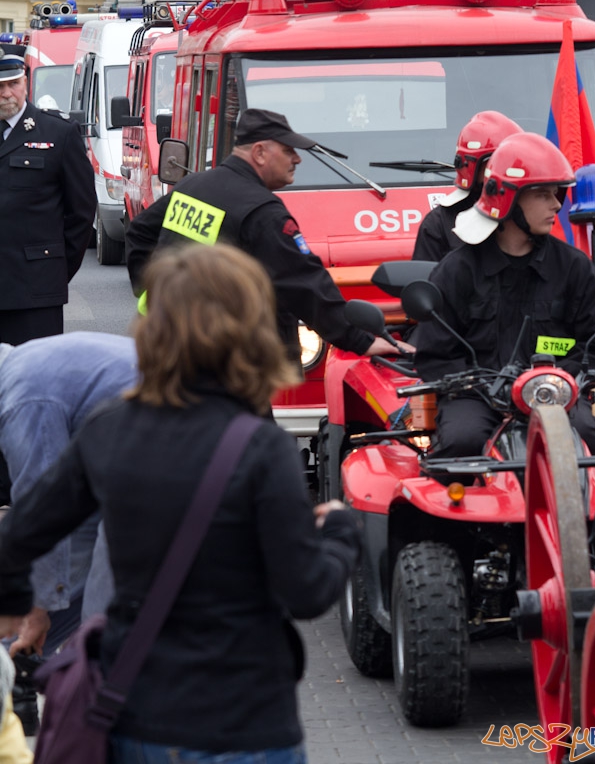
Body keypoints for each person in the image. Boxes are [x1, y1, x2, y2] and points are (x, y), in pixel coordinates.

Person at [0, 242, 360, 763]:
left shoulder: (108, 429)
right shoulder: (262, 448)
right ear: (251, 331)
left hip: (134, 715)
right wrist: (340, 534)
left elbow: (19, 535)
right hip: (243, 720)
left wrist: (19, 608)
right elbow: (306, 592)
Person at [126, 108, 409, 364]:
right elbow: (305, 282)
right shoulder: (262, 212)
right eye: (288, 150)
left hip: (168, 336)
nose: (297, 159)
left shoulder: (193, 185)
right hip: (230, 357)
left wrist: (151, 291)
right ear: (260, 153)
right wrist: (361, 340)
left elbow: (140, 230)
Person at [414, 132, 595, 459]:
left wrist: (557, 376)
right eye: (543, 195)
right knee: (461, 445)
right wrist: (477, 385)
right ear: (508, 199)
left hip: (554, 392)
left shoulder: (573, 268)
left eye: (556, 194)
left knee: (590, 444)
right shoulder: (456, 270)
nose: (556, 205)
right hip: (477, 398)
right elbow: (435, 354)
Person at [0, 332, 138, 736]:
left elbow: (40, 511)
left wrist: (37, 606)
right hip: (127, 456)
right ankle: (18, 669)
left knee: (100, 608)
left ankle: (95, 713)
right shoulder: (22, 368)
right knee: (63, 578)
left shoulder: (23, 401)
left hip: (155, 459)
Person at [0, 52, 96, 345]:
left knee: (34, 369)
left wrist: (54, 270)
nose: (6, 93)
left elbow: (81, 211)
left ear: (26, 83)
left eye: (13, 84)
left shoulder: (59, 133)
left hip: (35, 289)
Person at [412, 110, 523, 262]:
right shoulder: (439, 225)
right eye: (495, 162)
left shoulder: (527, 218)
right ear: (469, 166)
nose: (503, 171)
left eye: (512, 162)